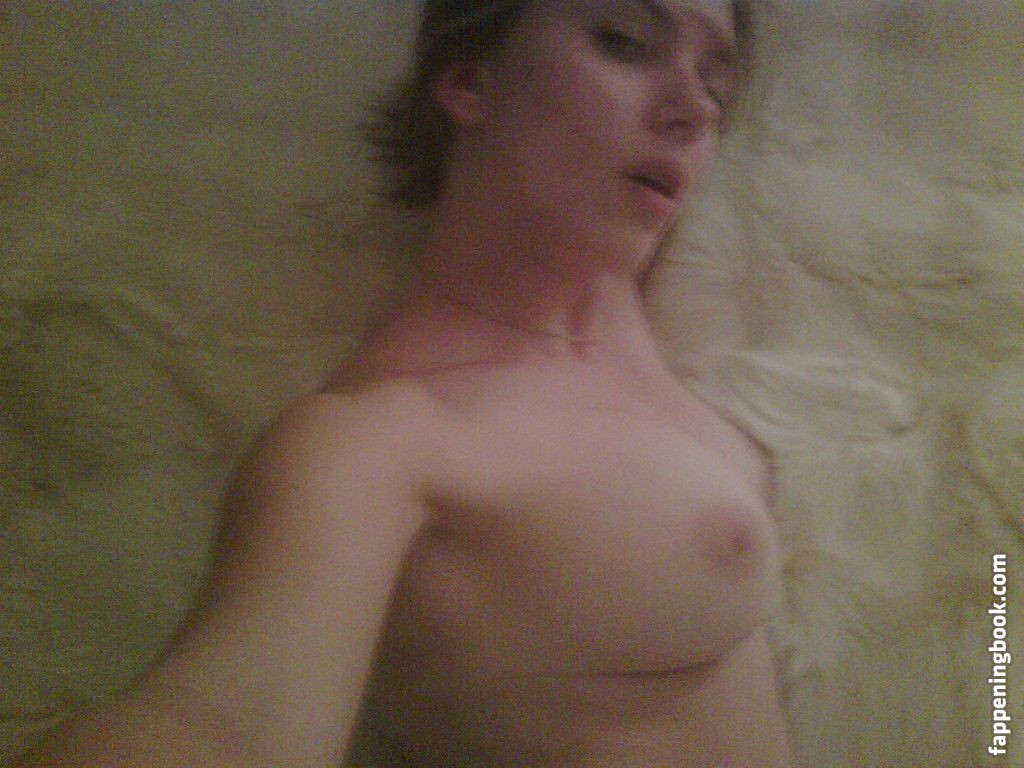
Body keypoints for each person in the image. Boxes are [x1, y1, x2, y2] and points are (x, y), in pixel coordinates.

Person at [17, 0, 797, 766]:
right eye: (625, 40)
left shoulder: (670, 356)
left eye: (716, 81)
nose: (695, 107)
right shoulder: (379, 440)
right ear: (470, 81)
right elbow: (218, 722)